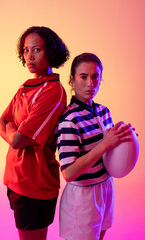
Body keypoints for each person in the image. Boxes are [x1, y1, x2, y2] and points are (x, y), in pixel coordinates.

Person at [0, 26, 69, 240]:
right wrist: (13, 132)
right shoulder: (24, 87)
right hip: (14, 180)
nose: (30, 56)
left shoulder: (53, 91)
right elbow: (0, 121)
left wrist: (12, 132)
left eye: (36, 49)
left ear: (51, 52)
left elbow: (17, 140)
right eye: (26, 50)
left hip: (34, 186)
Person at [55, 53, 133, 240]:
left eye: (95, 76)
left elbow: (109, 153)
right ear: (72, 80)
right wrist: (105, 144)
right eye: (83, 77)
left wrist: (126, 141)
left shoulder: (104, 111)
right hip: (82, 196)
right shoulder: (69, 119)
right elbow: (69, 172)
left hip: (105, 187)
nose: (91, 83)